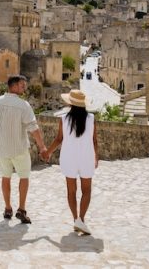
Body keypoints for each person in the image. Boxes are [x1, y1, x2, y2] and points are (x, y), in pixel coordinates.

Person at [0, 75, 47, 224]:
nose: (24, 88)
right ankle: (21, 209)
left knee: (5, 177)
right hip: (18, 148)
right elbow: (33, 128)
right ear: (12, 86)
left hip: (2, 148)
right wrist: (42, 147)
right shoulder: (23, 105)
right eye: (21, 85)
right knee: (24, 177)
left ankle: (7, 208)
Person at [44, 89, 98, 235]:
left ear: (71, 103)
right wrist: (96, 157)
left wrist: (47, 152)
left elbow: (58, 139)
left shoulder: (63, 119)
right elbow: (94, 140)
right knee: (87, 191)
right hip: (86, 157)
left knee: (71, 191)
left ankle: (76, 220)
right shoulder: (91, 118)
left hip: (69, 157)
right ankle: (81, 219)